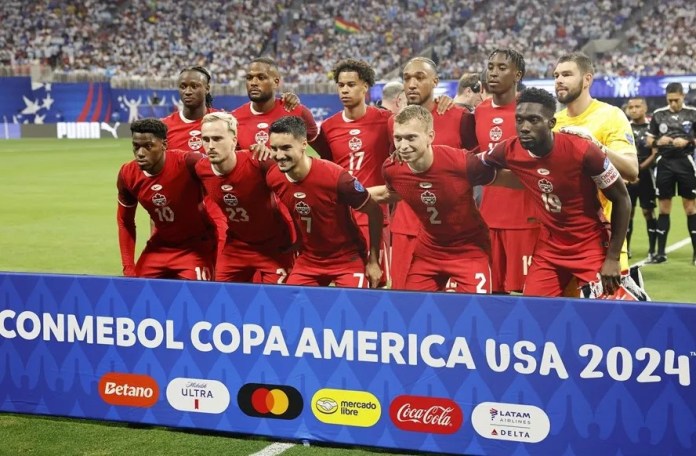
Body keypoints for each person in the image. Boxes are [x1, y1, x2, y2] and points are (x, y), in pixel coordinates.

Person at [481, 88, 631, 297]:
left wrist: (612, 258)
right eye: (519, 120)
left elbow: (622, 198)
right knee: (533, 312)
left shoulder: (583, 151)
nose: (524, 127)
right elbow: (473, 164)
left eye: (533, 120)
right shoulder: (510, 150)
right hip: (550, 246)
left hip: (589, 243)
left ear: (551, 123)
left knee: (604, 316)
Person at [370, 106, 517, 293]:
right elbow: (391, 193)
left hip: (469, 250)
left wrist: (550, 181)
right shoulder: (392, 169)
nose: (403, 146)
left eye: (411, 137)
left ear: (430, 136)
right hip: (429, 250)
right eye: (398, 138)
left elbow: (509, 178)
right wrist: (344, 193)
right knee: (413, 312)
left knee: (475, 313)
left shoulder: (460, 163)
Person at [390, 57, 478, 290]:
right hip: (407, 228)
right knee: (406, 306)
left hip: (453, 234)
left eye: (419, 78)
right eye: (407, 78)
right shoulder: (395, 122)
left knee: (458, 311)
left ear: (435, 81)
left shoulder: (459, 118)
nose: (411, 84)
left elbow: (477, 166)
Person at [266, 116, 383, 288]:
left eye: (286, 148)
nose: (279, 155)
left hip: (347, 258)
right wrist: (298, 239)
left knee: (353, 311)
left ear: (304, 144)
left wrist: (373, 260)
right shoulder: (274, 177)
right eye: (274, 148)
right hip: (309, 260)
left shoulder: (337, 178)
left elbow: (375, 212)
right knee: (291, 310)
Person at [552, 52, 638, 276]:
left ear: (587, 79)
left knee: (606, 311)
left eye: (567, 74)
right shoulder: (553, 123)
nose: (559, 80)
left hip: (604, 237)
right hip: (560, 242)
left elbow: (631, 170)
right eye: (556, 75)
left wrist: (595, 146)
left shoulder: (611, 116)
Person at [310, 59, 393, 285]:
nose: (345, 90)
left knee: (374, 281)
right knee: (342, 281)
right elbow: (327, 169)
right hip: (339, 218)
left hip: (372, 215)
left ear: (365, 86)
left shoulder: (385, 120)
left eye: (351, 84)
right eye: (341, 85)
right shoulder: (328, 126)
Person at [195, 112, 295, 283]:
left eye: (218, 139)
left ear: (234, 140)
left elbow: (295, 195)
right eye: (206, 139)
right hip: (236, 246)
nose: (210, 145)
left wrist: (297, 239)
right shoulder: (201, 169)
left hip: (275, 246)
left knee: (277, 304)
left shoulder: (259, 162)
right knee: (220, 299)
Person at [116, 119, 216, 280]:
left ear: (164, 144)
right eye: (136, 146)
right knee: (136, 295)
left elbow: (225, 173)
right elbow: (125, 222)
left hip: (196, 247)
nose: (140, 153)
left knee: (196, 299)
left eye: (148, 146)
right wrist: (129, 269)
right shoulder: (127, 174)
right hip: (160, 246)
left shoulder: (188, 162)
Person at [475, 48, 539, 294]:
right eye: (491, 67)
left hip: (525, 220)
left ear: (517, 75)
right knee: (491, 294)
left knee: (527, 295)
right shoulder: (480, 112)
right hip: (488, 220)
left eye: (502, 68)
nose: (493, 73)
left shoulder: (530, 111)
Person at [646, 83, 696, 265]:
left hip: (685, 163)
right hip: (665, 163)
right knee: (664, 209)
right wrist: (660, 140)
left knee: (690, 209)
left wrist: (688, 141)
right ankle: (660, 254)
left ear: (683, 96)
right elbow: (649, 140)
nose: (673, 103)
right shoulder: (659, 114)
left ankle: (695, 254)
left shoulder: (692, 113)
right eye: (670, 100)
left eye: (676, 100)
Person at [232, 57, 318, 153]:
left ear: (276, 82)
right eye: (249, 78)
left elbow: (314, 138)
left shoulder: (296, 110)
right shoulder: (234, 119)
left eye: (261, 77)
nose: (253, 83)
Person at [625, 97, 658, 260]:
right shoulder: (624, 128)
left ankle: (653, 250)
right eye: (631, 107)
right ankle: (626, 249)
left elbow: (655, 153)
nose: (634, 110)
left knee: (648, 212)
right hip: (627, 177)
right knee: (626, 213)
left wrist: (636, 171)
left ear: (645, 108)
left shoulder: (652, 129)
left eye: (637, 106)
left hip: (646, 176)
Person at [161, 66, 217, 152]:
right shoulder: (164, 126)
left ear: (207, 89)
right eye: (183, 87)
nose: (187, 92)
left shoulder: (222, 121)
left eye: (194, 86)